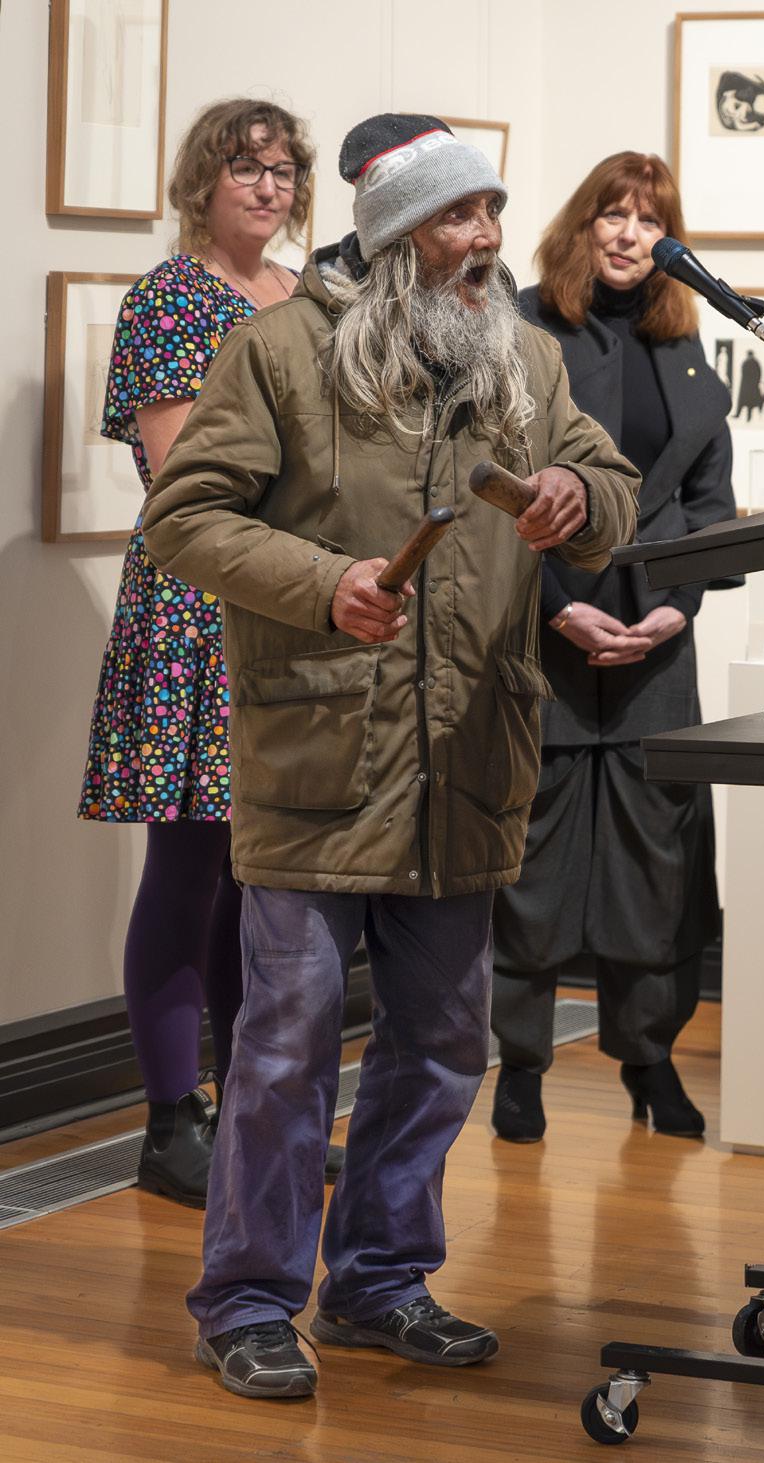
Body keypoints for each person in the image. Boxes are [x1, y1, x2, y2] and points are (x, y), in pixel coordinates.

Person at [141, 113, 639, 1400]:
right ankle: (248, 1299)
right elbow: (183, 518)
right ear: (395, 233)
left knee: (443, 1042)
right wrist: (323, 583)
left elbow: (608, 487)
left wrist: (580, 500)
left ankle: (376, 1280)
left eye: (492, 210)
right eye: (459, 214)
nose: (487, 236)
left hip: (467, 760)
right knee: (286, 1046)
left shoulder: (524, 357)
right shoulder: (280, 353)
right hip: (321, 757)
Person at [78, 100, 318, 1207]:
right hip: (197, 602)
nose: (267, 188)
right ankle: (170, 1124)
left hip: (286, 596)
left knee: (255, 875)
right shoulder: (170, 297)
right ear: (201, 184)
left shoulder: (302, 294)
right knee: (187, 867)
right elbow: (185, 473)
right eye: (245, 169)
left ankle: (248, 1117)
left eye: (283, 170)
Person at [490, 151, 736, 1144]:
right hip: (543, 627)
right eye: (614, 214)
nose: (632, 234)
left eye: (651, 218)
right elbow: (489, 487)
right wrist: (557, 607)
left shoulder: (684, 343)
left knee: (654, 858)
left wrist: (681, 606)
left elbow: (710, 501)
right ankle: (519, 1066)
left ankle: (650, 1058)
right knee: (529, 856)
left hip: (656, 639)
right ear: (581, 225)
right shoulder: (521, 327)